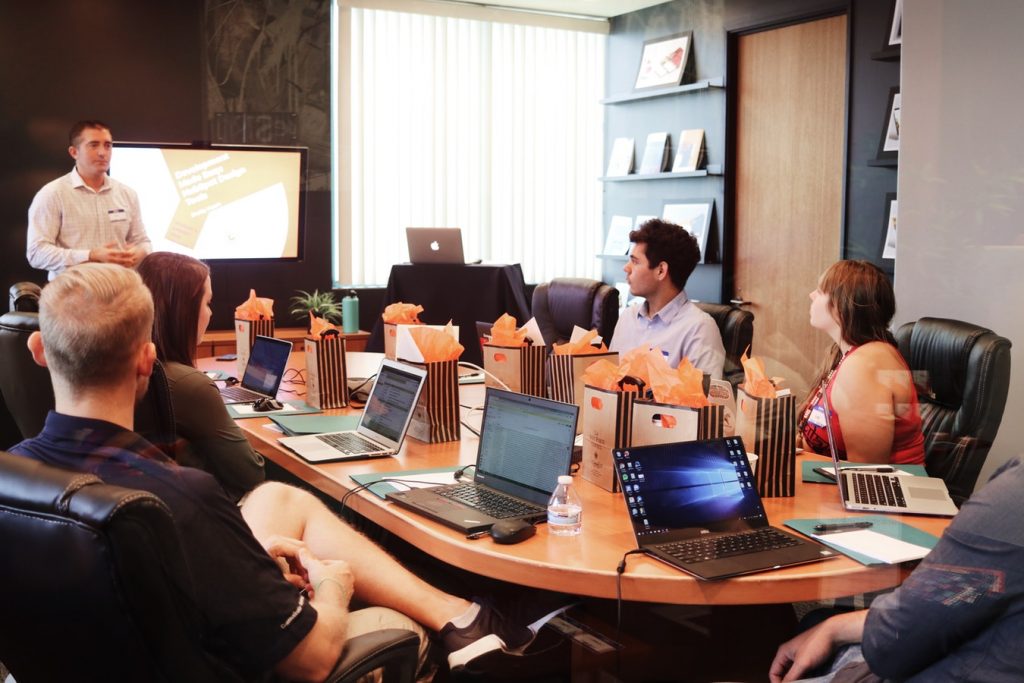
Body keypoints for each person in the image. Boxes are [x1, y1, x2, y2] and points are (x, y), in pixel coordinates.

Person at [10, 263, 541, 681]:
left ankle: (461, 612)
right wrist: (333, 586)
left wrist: (243, 562)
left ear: (38, 350)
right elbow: (308, 661)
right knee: (399, 629)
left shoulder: (16, 476)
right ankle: (462, 627)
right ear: (146, 360)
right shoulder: (181, 497)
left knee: (278, 499)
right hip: (244, 664)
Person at [769, 456, 1024, 682]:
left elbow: (892, 648)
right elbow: (963, 596)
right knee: (816, 621)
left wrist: (835, 629)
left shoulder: (1015, 496)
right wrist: (834, 627)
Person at [136, 251, 264, 501]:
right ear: (183, 310)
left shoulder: (127, 368)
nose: (211, 313)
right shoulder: (189, 384)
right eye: (207, 303)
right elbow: (251, 474)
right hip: (210, 512)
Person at [798, 260, 924, 464]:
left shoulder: (865, 365)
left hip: (883, 491)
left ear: (842, 306)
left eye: (821, 292)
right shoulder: (845, 354)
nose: (811, 295)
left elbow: (865, 474)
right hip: (836, 481)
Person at [26, 120, 151, 280]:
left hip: (120, 292)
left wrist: (139, 252)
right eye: (93, 145)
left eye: (107, 145)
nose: (102, 152)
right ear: (74, 152)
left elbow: (143, 242)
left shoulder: (127, 193)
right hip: (73, 295)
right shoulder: (53, 194)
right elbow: (36, 253)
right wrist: (90, 255)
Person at [609, 218, 726, 379]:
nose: (626, 268)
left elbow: (705, 401)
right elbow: (606, 383)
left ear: (661, 271)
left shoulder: (699, 329)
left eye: (635, 262)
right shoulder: (627, 318)